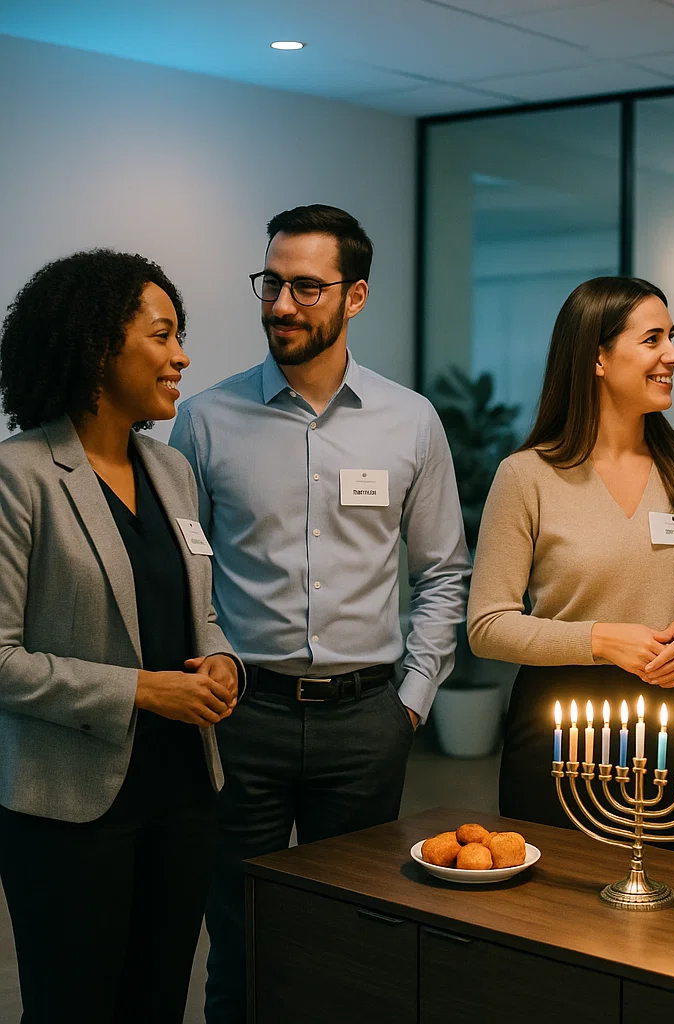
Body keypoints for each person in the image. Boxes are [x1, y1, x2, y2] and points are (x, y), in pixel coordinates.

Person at [169, 203, 470, 1022]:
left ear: (356, 296)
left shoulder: (410, 422)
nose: (281, 304)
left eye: (306, 287)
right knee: (239, 936)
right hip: (243, 719)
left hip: (365, 721)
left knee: (356, 934)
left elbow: (444, 572)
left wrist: (410, 701)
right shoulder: (203, 420)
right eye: (272, 282)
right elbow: (185, 574)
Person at [0, 250, 242, 1023]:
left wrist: (225, 661)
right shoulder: (21, 475)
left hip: (182, 795)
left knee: (158, 1001)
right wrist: (143, 690)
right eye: (163, 334)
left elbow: (197, 608)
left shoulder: (173, 471)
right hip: (70, 807)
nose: (183, 356)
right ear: (100, 346)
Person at [468, 276, 674, 851]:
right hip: (557, 726)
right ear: (597, 357)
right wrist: (601, 640)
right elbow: (486, 625)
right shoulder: (527, 476)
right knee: (551, 914)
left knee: (663, 916)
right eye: (653, 339)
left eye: (671, 337)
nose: (673, 354)